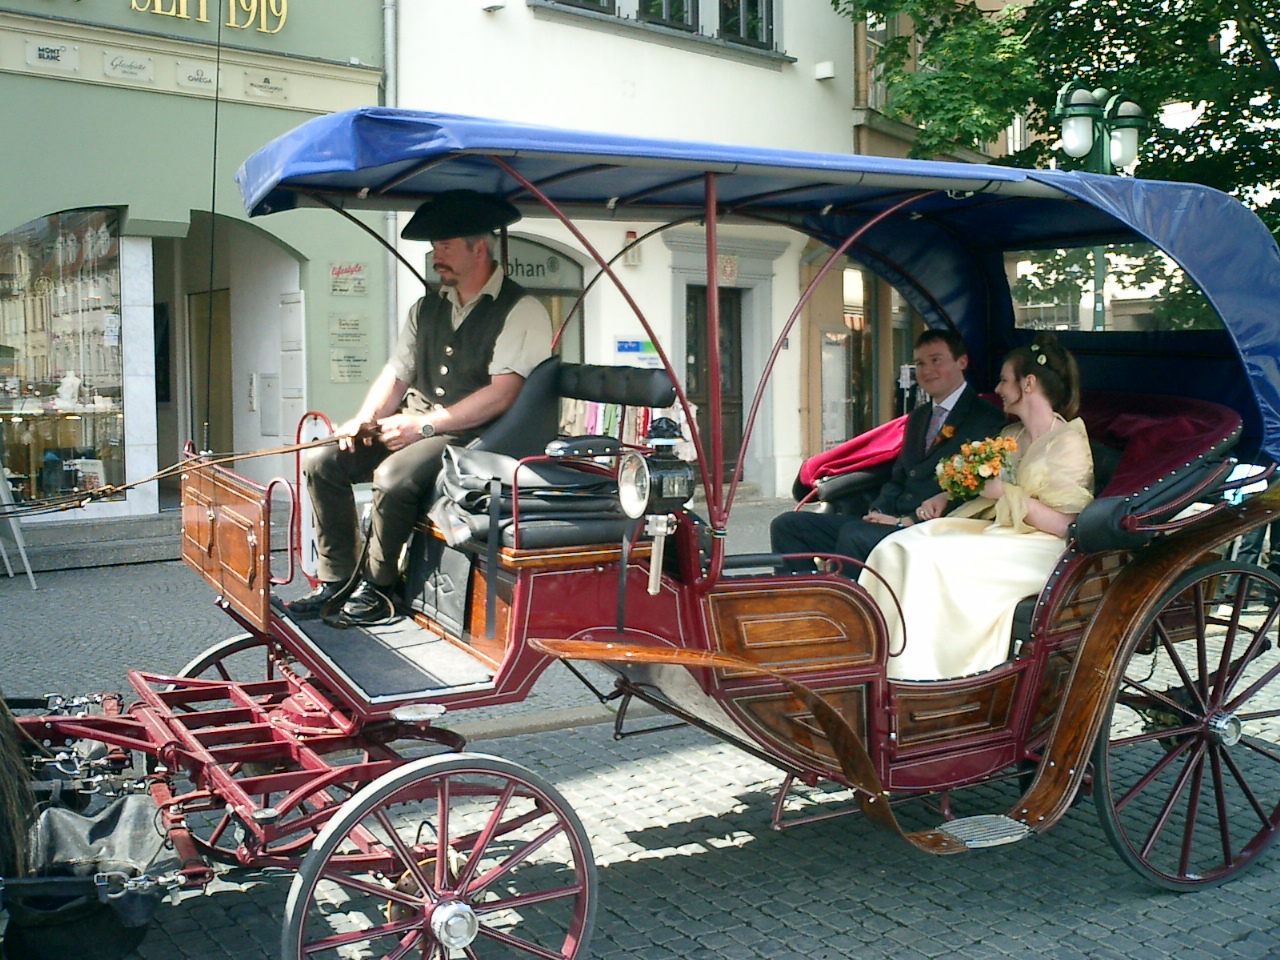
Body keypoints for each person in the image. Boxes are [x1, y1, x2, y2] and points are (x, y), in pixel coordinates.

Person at [289, 190, 552, 627]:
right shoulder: (426, 307)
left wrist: (421, 427)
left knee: (392, 477)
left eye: (445, 247)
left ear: (478, 249)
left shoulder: (521, 310)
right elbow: (397, 375)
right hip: (420, 425)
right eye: (434, 248)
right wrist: (364, 420)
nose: (436, 257)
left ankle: (379, 588)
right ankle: (336, 580)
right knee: (322, 460)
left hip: (477, 437)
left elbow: (502, 394)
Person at [859, 333, 1094, 681]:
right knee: (901, 545)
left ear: (1028, 384)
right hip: (1002, 532)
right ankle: (882, 657)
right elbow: (982, 486)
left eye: (1004, 380)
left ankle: (927, 670)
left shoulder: (1068, 442)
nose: (998, 389)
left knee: (929, 557)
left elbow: (1065, 524)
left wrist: (1005, 494)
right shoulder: (1011, 435)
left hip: (1042, 547)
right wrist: (946, 495)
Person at [771, 329, 1007, 571]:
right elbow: (898, 478)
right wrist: (877, 511)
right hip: (890, 521)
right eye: (920, 363)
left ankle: (843, 595)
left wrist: (904, 521)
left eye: (936, 360)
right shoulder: (918, 417)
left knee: (855, 536)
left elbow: (974, 492)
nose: (927, 370)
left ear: (961, 362)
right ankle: (803, 594)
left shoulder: (985, 418)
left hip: (930, 528)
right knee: (788, 525)